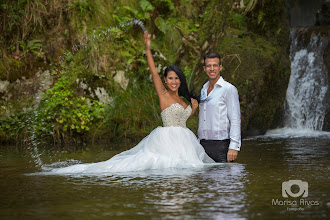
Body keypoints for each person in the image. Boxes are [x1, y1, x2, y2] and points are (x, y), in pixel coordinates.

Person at [49, 32, 214, 174]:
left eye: (176, 78)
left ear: (180, 80)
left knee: (191, 168)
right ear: (165, 80)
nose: (173, 81)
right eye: (170, 78)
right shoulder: (163, 94)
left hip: (185, 140)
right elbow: (153, 72)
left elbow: (182, 119)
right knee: (166, 166)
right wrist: (147, 48)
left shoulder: (184, 100)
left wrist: (192, 108)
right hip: (167, 139)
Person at [198, 52, 241, 163]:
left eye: (215, 65)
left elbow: (235, 119)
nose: (212, 69)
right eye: (208, 66)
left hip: (221, 145)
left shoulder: (229, 89)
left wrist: (234, 146)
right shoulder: (203, 90)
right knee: (205, 180)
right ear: (204, 68)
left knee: (223, 179)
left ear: (220, 67)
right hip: (202, 145)